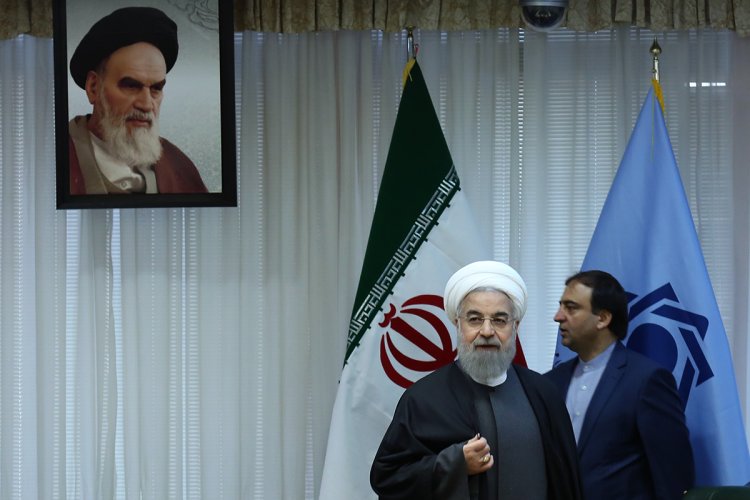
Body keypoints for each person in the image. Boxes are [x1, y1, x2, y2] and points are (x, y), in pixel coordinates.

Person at [370, 260, 583, 500]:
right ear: (457, 323)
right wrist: (454, 463)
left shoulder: (544, 393)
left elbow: (567, 482)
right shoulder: (423, 399)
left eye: (499, 320)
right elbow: (388, 477)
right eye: (474, 319)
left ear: (516, 326)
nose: (487, 331)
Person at [546, 270, 695, 500]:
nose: (558, 317)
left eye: (571, 308)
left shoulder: (647, 380)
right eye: (560, 306)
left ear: (603, 318)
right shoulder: (551, 382)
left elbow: (672, 474)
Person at [67, 7, 208, 194]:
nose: (147, 104)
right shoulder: (53, 158)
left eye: (156, 89)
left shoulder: (178, 165)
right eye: (131, 86)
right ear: (94, 88)